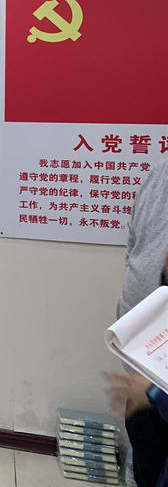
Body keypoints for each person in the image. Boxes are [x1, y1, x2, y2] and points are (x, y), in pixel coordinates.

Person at [109, 155, 168, 487]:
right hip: (143, 352)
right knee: (146, 448)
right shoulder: (159, 170)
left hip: (158, 369)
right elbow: (134, 245)